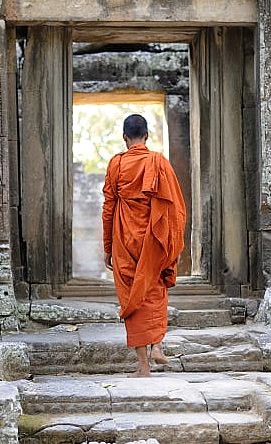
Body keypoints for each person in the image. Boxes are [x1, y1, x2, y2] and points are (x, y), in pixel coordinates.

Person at [102, 114, 187, 377]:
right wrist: (170, 242)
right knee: (154, 287)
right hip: (154, 238)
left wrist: (107, 246)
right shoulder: (158, 162)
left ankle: (142, 367)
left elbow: (108, 208)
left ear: (125, 137)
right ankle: (157, 346)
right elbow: (175, 208)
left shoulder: (117, 164)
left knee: (132, 296)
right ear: (147, 136)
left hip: (125, 240)